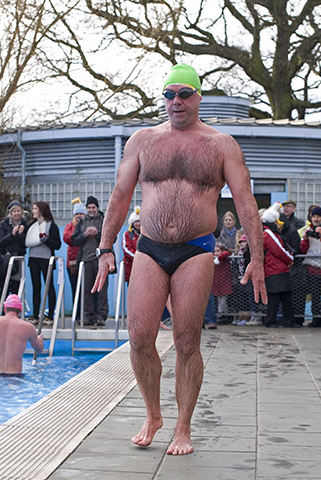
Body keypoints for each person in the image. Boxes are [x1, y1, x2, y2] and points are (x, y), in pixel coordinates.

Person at [91, 63, 266, 455]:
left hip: (196, 250)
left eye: (184, 94)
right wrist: (105, 249)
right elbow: (120, 197)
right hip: (150, 248)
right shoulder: (142, 141)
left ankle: (183, 427)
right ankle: (153, 414)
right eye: (169, 94)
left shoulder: (221, 145)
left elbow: (245, 202)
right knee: (139, 337)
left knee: (187, 342)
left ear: (198, 97)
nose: (176, 102)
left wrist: (257, 256)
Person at [72, 195, 108, 327]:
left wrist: (97, 233)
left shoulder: (104, 220)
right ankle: (87, 316)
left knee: (102, 291)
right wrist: (85, 235)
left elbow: (112, 238)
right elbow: (74, 240)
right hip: (86, 260)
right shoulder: (81, 222)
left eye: (93, 207)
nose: (91, 209)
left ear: (97, 208)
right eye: (89, 207)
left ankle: (101, 316)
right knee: (87, 290)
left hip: (101, 261)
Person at [25, 201, 61, 324]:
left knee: (49, 287)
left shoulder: (52, 226)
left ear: (41, 210)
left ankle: (50, 316)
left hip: (46, 259)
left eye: (35, 209)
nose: (33, 211)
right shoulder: (31, 225)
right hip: (34, 258)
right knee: (36, 287)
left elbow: (57, 245)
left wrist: (46, 239)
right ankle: (35, 315)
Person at [261, 205, 296, 328]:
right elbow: (279, 250)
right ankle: (274, 320)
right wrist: (290, 259)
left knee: (282, 296)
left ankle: (283, 320)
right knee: (278, 297)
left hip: (275, 268)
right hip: (276, 269)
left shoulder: (266, 232)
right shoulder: (269, 234)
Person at [299, 206, 321, 327]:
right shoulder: (308, 230)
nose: (316, 219)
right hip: (313, 269)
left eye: (318, 216)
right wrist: (305, 239)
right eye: (314, 216)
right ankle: (316, 318)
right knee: (315, 295)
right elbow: (303, 249)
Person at [0, 200, 28, 297]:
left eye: (18, 211)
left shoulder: (25, 225)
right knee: (4, 286)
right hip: (4, 258)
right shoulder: (3, 224)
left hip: (18, 259)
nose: (16, 213)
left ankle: (15, 310)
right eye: (14, 211)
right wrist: (12, 235)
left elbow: (25, 244)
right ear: (10, 213)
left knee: (16, 286)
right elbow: (0, 242)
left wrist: (21, 234)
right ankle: (3, 309)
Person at [64, 198, 86, 299]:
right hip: (73, 263)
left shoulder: (88, 225)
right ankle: (77, 313)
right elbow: (67, 238)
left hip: (86, 260)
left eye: (81, 213)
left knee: (86, 289)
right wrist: (80, 235)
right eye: (76, 214)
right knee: (75, 289)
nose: (79, 216)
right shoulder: (70, 226)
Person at [211, 243, 233, 323]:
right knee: (219, 301)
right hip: (217, 284)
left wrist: (218, 258)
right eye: (215, 251)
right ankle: (221, 315)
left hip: (224, 283)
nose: (216, 253)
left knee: (223, 301)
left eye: (218, 251)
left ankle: (224, 315)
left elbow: (227, 253)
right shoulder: (213, 259)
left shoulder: (223, 258)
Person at [122, 206, 141, 284]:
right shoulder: (127, 234)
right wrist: (138, 258)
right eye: (136, 222)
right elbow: (126, 248)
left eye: (140, 221)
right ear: (132, 223)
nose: (138, 224)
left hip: (146, 269)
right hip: (131, 268)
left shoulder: (148, 234)